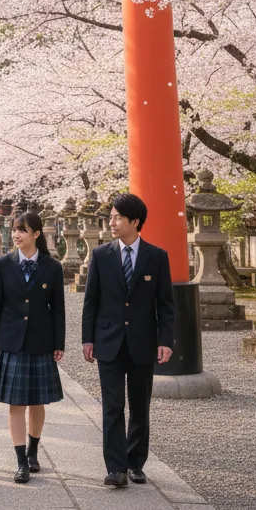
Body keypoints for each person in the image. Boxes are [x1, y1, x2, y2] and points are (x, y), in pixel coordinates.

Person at [81, 193, 174, 489]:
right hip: (108, 341)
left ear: (135, 222)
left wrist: (166, 340)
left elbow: (166, 304)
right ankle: (115, 468)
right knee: (111, 405)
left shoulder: (156, 257)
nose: (111, 222)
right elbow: (91, 302)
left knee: (139, 405)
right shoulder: (101, 255)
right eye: (111, 217)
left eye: (117, 217)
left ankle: (135, 463)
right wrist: (87, 339)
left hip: (143, 342)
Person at [0, 211, 65, 484]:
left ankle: (33, 451)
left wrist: (59, 343)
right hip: (11, 340)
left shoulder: (52, 266)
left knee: (37, 401)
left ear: (36, 234)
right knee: (16, 404)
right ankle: (21, 462)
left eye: (22, 230)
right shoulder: (5, 264)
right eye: (14, 229)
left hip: (41, 340)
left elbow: (58, 310)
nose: (16, 234)